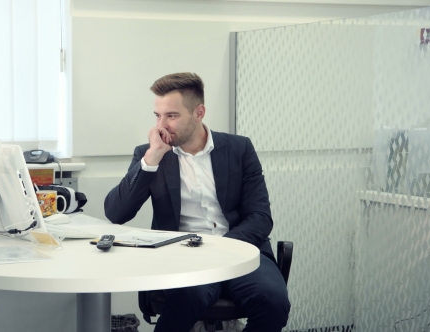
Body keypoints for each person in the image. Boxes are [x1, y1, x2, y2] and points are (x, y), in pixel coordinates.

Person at [104, 72, 290, 332]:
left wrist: (220, 247)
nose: (162, 125)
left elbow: (260, 217)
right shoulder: (149, 154)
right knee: (183, 300)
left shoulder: (239, 149)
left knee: (273, 302)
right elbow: (116, 213)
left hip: (240, 249)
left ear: (199, 112)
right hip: (184, 257)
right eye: (157, 115)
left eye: (172, 116)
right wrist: (151, 159)